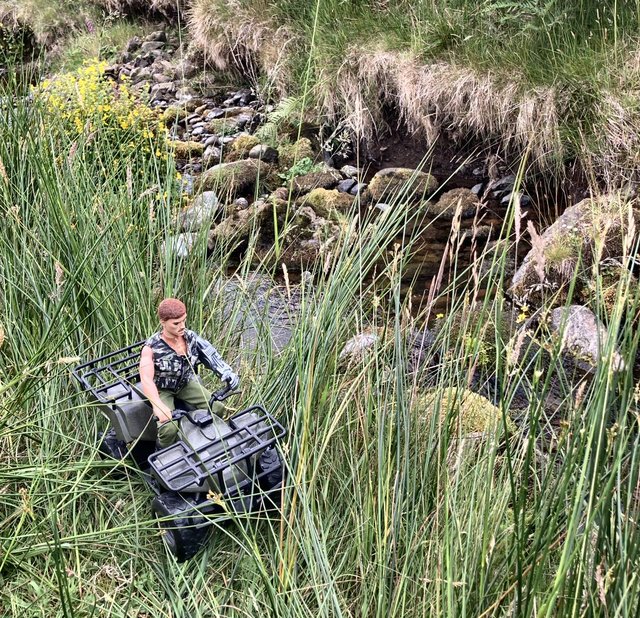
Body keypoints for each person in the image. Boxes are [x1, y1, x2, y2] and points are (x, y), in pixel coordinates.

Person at [139, 298, 239, 448]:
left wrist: (226, 372)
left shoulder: (190, 337)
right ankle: (163, 453)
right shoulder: (151, 348)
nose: (182, 326)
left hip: (186, 383)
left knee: (217, 407)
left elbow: (210, 355)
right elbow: (146, 379)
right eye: (176, 323)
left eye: (184, 321)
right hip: (163, 389)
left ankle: (206, 440)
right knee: (169, 428)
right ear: (163, 322)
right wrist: (158, 405)